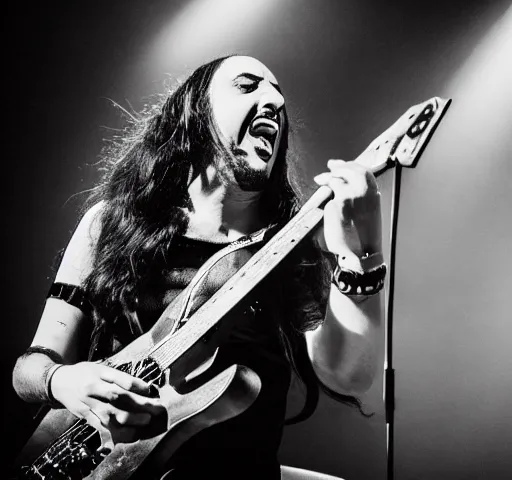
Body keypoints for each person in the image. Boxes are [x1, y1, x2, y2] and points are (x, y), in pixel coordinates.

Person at [12, 55, 385, 479]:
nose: (273, 103)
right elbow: (30, 367)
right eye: (248, 86)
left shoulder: (294, 247)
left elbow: (349, 375)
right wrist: (64, 381)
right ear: (195, 111)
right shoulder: (110, 223)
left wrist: (361, 253)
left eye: (279, 98)